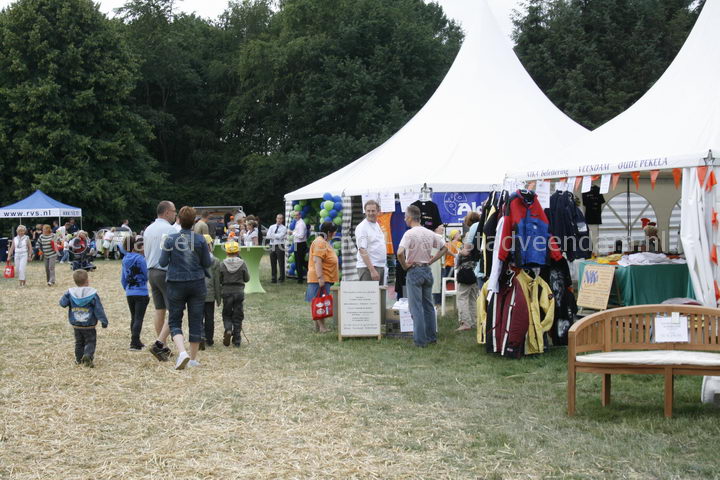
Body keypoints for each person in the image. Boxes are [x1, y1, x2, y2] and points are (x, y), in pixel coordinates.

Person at [159, 206, 212, 369]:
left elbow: (162, 262)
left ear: (179, 220)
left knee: (175, 319)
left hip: (176, 282)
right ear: (194, 221)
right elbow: (207, 263)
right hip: (197, 283)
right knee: (196, 319)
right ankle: (193, 359)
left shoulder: (170, 239)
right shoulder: (201, 240)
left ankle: (182, 353)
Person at [397, 205, 447, 347]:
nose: (405, 219)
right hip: (427, 270)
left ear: (410, 218)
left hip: (414, 270)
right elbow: (444, 248)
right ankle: (431, 337)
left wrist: (405, 266)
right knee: (428, 306)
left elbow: (399, 253)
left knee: (416, 308)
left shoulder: (409, 234)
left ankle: (420, 341)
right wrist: (432, 260)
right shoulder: (429, 233)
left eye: (405, 217)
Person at [144, 200, 178, 362]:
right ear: (167, 212)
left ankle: (162, 345)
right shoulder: (170, 230)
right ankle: (159, 343)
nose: (175, 214)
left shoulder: (148, 229)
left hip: (151, 271)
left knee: (160, 309)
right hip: (165, 272)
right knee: (175, 310)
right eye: (174, 211)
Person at [59, 269, 109, 367]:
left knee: (79, 342)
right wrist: (104, 321)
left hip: (76, 324)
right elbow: (98, 309)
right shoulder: (92, 294)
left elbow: (62, 303)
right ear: (87, 280)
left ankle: (78, 360)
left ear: (75, 281)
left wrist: (66, 297)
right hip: (89, 325)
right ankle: (88, 355)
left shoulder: (70, 293)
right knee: (90, 341)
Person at [305, 221, 339, 333]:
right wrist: (320, 278)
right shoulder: (320, 243)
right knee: (320, 302)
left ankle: (318, 326)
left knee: (319, 301)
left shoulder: (324, 242)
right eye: (334, 232)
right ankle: (322, 327)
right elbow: (317, 260)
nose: (335, 234)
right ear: (329, 232)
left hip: (323, 277)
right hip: (319, 278)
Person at [219, 241, 250, 347]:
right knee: (238, 315)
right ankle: (237, 340)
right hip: (239, 292)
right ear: (238, 252)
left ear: (227, 252)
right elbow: (247, 278)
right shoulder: (242, 263)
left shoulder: (222, 264)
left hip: (226, 292)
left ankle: (228, 329)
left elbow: (219, 279)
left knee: (227, 314)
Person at [121, 235, 149, 351]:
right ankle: (134, 342)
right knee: (139, 318)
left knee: (134, 317)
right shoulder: (140, 259)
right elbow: (146, 274)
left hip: (130, 291)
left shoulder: (124, 259)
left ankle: (136, 340)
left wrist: (127, 289)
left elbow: (123, 278)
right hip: (141, 291)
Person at [355, 199, 387, 285]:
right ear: (365, 211)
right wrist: (372, 270)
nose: (370, 213)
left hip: (379, 266)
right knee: (369, 293)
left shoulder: (376, 224)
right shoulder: (362, 227)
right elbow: (362, 250)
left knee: (379, 293)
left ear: (378, 211)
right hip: (368, 268)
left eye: (373, 211)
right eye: (368, 211)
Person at [202, 234, 222, 348]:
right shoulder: (215, 261)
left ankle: (199, 336)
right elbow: (217, 281)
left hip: (197, 293)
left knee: (197, 317)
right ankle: (209, 339)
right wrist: (218, 298)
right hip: (210, 293)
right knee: (209, 317)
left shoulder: (194, 259)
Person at [455, 242, 479, 331]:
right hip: (474, 272)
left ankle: (465, 323)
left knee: (462, 298)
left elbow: (465, 251)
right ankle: (474, 322)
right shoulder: (478, 240)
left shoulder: (470, 238)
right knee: (473, 299)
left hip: (465, 273)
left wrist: (459, 251)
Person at [267, 214, 287, 283]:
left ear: (282, 220)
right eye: (278, 218)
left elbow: (280, 236)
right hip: (272, 245)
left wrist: (273, 235)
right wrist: (275, 236)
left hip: (280, 245)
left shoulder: (284, 228)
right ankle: (273, 278)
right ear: (276, 219)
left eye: (280, 218)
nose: (279, 220)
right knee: (273, 262)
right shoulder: (271, 226)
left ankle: (281, 278)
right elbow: (268, 236)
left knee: (281, 262)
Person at [291, 211, 308, 283]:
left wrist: (292, 233)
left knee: (299, 262)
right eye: (294, 215)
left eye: (297, 215)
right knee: (298, 261)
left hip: (300, 244)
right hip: (296, 244)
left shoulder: (301, 224)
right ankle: (300, 278)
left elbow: (301, 236)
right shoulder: (297, 222)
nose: (295, 217)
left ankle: (300, 279)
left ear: (300, 215)